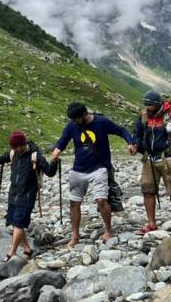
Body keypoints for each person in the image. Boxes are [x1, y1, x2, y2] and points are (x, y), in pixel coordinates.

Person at [51, 103, 138, 247]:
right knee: (74, 203)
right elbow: (63, 141)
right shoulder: (72, 126)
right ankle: (75, 235)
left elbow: (121, 130)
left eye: (77, 119)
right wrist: (56, 151)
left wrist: (130, 143)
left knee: (101, 200)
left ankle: (108, 230)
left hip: (99, 168)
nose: (74, 122)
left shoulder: (101, 122)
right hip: (78, 169)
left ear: (84, 115)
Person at [0, 130, 57, 261]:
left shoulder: (35, 155)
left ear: (23, 143)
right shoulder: (13, 152)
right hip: (13, 193)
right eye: (13, 147)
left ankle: (11, 253)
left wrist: (54, 161)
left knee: (19, 224)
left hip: (27, 195)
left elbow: (50, 172)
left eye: (17, 147)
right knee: (15, 223)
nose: (15, 149)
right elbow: (1, 159)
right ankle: (27, 249)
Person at [133, 90, 171, 233]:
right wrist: (135, 144)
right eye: (145, 104)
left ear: (158, 104)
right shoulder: (144, 117)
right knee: (147, 190)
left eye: (150, 105)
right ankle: (151, 223)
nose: (147, 108)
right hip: (149, 159)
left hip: (169, 158)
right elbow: (137, 133)